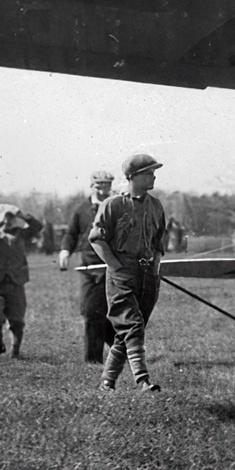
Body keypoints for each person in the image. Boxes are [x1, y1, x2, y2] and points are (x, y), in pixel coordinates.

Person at [90, 154, 168, 391]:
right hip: (122, 273)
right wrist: (116, 267)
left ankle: (107, 383)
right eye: (148, 173)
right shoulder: (113, 205)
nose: (153, 176)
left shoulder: (155, 205)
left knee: (130, 330)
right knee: (132, 325)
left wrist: (155, 265)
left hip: (148, 277)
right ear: (132, 177)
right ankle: (143, 380)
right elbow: (96, 239)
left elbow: (159, 240)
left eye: (153, 172)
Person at [59, 170, 117, 363]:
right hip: (88, 267)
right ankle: (105, 355)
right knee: (92, 310)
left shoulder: (117, 206)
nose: (102, 189)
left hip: (111, 266)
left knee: (101, 311)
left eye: (106, 184)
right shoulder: (82, 209)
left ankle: (108, 355)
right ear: (91, 186)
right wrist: (65, 251)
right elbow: (71, 234)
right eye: (98, 185)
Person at [0, 204, 44, 359]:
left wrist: (22, 215)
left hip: (15, 281)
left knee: (17, 319)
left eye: (11, 218)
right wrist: (0, 221)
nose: (8, 221)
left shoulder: (21, 233)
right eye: (4, 217)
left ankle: (15, 350)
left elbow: (38, 227)